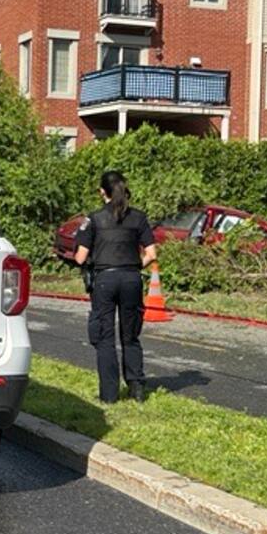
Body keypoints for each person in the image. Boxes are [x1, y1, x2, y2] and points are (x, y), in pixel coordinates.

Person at [73, 171, 158, 403]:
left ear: (103, 192)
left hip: (105, 280)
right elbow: (151, 254)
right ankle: (137, 388)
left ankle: (109, 395)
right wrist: (132, 265)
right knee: (130, 336)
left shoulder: (94, 219)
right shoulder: (138, 218)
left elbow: (80, 258)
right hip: (131, 278)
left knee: (105, 337)